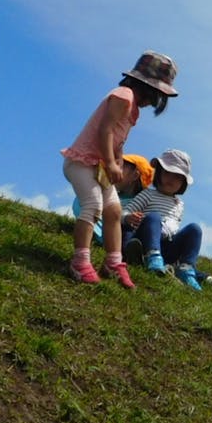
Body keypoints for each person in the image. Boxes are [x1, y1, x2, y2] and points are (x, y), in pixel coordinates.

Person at [61, 51, 179, 289]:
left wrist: (115, 160)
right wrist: (113, 163)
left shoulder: (132, 108)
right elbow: (104, 130)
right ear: (145, 86)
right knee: (93, 206)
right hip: (83, 163)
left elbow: (117, 140)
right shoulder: (124, 96)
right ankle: (80, 261)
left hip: (99, 166)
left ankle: (113, 263)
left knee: (114, 210)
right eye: (155, 95)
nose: (152, 102)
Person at [120, 149, 206, 290]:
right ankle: (151, 257)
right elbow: (125, 211)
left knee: (194, 229)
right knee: (154, 217)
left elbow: (174, 228)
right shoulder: (148, 194)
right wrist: (127, 217)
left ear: (183, 183)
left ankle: (186, 268)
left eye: (177, 177)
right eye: (167, 173)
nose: (171, 179)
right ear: (158, 173)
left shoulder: (179, 204)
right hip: (145, 240)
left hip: (166, 247)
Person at [72, 154, 154, 246]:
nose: (113, 170)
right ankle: (97, 234)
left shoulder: (144, 201)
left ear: (135, 175)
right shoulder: (110, 196)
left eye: (120, 167)